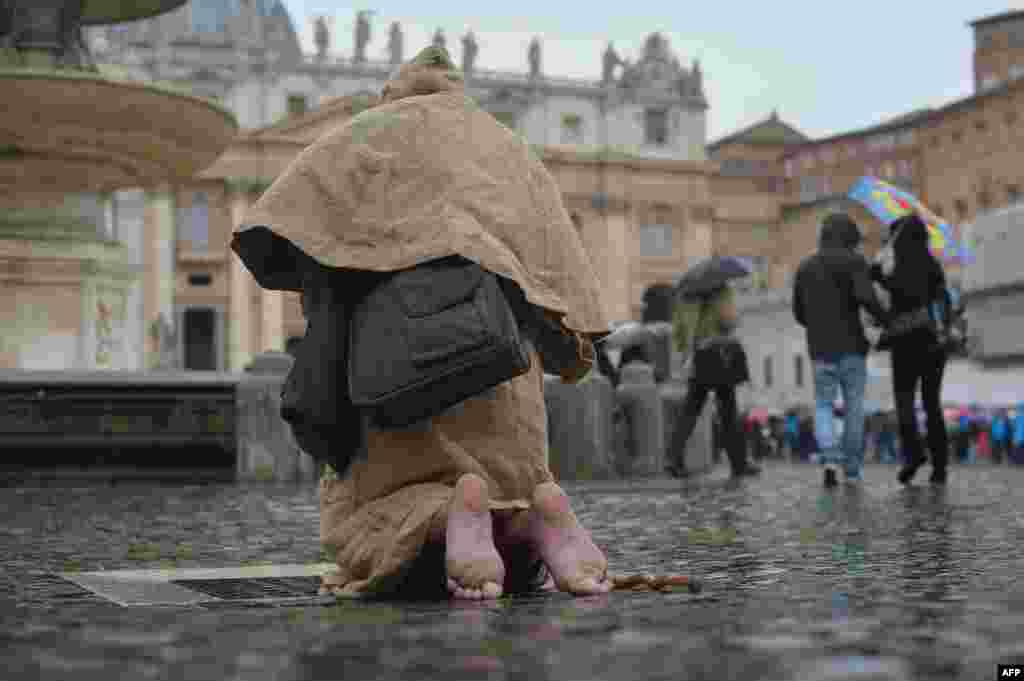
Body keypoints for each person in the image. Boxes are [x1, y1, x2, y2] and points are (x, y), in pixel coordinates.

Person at [232, 46, 613, 600]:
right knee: (515, 483)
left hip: (399, 368)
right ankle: (537, 518)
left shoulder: (362, 138)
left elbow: (292, 229)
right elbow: (563, 276)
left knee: (379, 511)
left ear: (392, 97)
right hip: (503, 362)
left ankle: (445, 514)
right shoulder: (510, 150)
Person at [793, 212, 890, 488]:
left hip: (820, 349)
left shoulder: (805, 267)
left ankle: (829, 459)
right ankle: (852, 470)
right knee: (854, 407)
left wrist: (816, 323)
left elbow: (799, 312)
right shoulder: (854, 261)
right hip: (852, 348)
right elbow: (866, 298)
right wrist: (886, 319)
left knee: (823, 405)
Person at [871, 213, 952, 485]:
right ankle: (940, 466)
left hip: (906, 342)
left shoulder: (900, 267)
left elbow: (903, 292)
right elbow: (942, 299)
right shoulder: (932, 265)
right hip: (933, 342)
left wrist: (878, 276)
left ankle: (913, 454)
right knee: (932, 404)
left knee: (904, 402)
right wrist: (945, 328)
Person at [664, 285, 760, 478]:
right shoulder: (721, 290)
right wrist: (732, 318)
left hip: (699, 355)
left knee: (690, 411)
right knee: (728, 411)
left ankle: (673, 459)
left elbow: (679, 334)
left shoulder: (685, 297)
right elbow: (728, 321)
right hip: (721, 353)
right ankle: (739, 463)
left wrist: (685, 355)